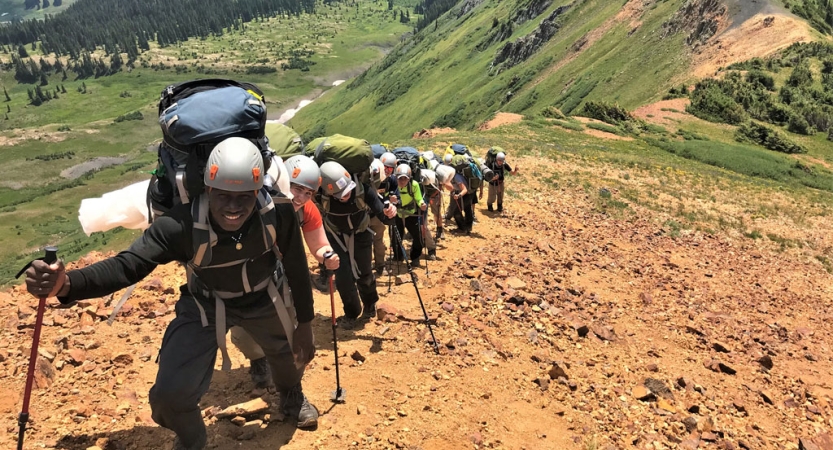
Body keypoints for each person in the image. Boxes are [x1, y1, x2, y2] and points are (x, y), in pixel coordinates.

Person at [24, 138, 319, 450]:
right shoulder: (181, 224)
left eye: (244, 197)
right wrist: (67, 285)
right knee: (167, 397)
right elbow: (129, 265)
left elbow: (297, 269)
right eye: (223, 196)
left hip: (264, 296)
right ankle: (192, 437)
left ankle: (291, 396)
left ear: (258, 191)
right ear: (207, 189)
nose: (233, 207)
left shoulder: (278, 213)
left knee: (291, 359)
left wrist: (305, 324)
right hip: (205, 302)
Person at [230, 155, 339, 389]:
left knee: (288, 326)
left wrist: (327, 255)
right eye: (297, 189)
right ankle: (257, 358)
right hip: (250, 273)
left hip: (283, 272)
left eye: (308, 193)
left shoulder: (307, 211)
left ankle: (290, 386)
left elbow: (319, 244)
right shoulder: (257, 205)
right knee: (242, 331)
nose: (301, 197)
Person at [317, 161, 397, 327]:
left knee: (364, 272)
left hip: (361, 234)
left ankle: (370, 305)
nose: (346, 195)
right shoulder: (320, 193)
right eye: (341, 194)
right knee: (343, 277)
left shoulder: (363, 190)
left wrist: (389, 213)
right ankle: (352, 313)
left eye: (347, 190)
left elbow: (384, 217)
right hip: (335, 236)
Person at [391, 164, 428, 266]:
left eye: (405, 179)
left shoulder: (414, 185)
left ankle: (415, 257)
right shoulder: (392, 184)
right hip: (397, 214)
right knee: (396, 237)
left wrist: (422, 204)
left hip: (411, 214)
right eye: (400, 179)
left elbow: (419, 198)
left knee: (418, 237)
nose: (402, 181)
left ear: (409, 179)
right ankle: (398, 256)